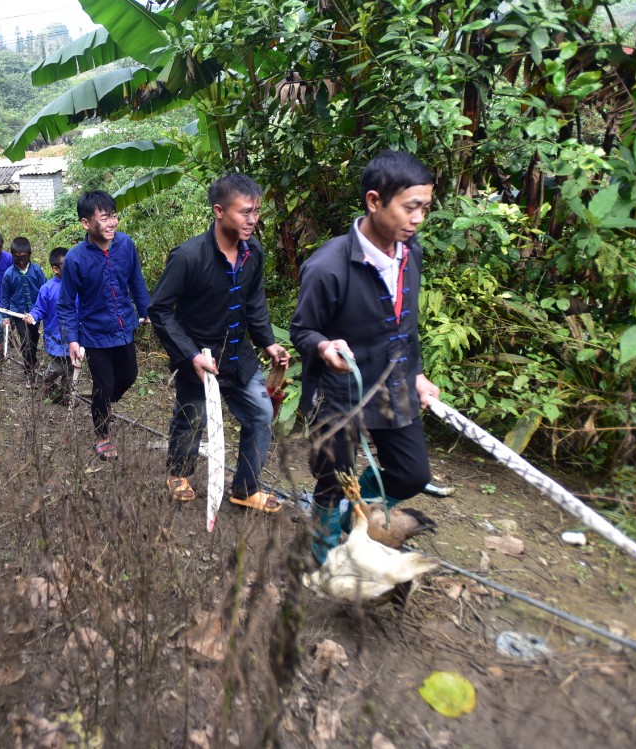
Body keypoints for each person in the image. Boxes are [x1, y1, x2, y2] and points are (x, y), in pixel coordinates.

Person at [289, 149, 441, 565]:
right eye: (411, 208)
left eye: (424, 208)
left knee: (413, 474)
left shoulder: (411, 253)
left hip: (393, 383)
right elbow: (302, 330)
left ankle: (347, 515)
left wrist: (417, 373)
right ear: (375, 201)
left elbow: (406, 324)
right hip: (340, 390)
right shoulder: (328, 266)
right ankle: (321, 540)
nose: (418, 219)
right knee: (332, 477)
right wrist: (323, 346)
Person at [148, 173, 290, 512]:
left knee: (260, 415)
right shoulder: (188, 257)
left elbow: (254, 302)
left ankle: (245, 488)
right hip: (197, 356)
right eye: (244, 212)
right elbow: (160, 310)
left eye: (256, 211)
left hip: (239, 356)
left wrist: (268, 343)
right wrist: (191, 355)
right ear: (219, 211)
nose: (253, 219)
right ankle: (179, 473)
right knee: (193, 416)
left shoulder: (253, 251)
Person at [58, 190, 151, 461]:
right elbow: (65, 303)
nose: (112, 223)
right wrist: (72, 339)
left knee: (129, 375)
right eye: (104, 218)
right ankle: (102, 436)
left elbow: (136, 281)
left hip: (124, 327)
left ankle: (105, 404)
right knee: (103, 385)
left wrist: (146, 310)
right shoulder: (76, 258)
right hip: (95, 334)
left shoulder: (126, 245)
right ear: (86, 223)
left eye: (114, 217)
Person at [26, 247, 71, 403]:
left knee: (71, 368)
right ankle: (47, 379)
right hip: (55, 336)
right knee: (59, 366)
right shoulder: (47, 289)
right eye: (67, 265)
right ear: (55, 269)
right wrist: (33, 316)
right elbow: (39, 308)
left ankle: (65, 395)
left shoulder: (79, 284)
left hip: (75, 335)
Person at [1, 237, 48, 386]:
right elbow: (5, 297)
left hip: (35, 312)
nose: (21, 261)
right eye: (17, 258)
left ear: (30, 254)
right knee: (26, 339)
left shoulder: (37, 271)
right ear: (12, 256)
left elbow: (45, 290)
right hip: (19, 314)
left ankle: (33, 360)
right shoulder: (8, 274)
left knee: (34, 337)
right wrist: (6, 316)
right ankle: (29, 372)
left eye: (24, 258)